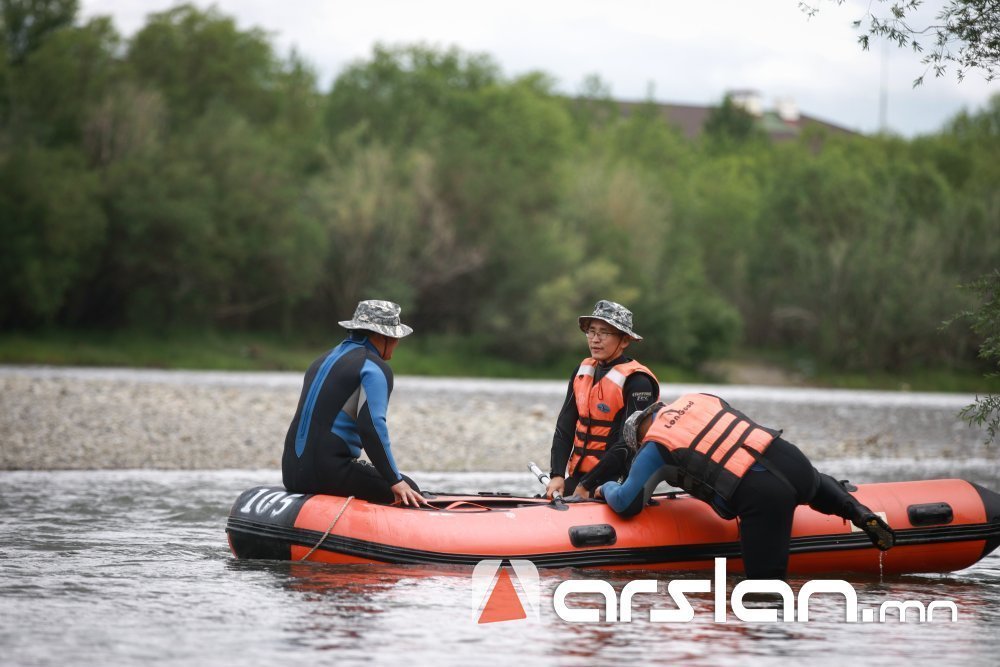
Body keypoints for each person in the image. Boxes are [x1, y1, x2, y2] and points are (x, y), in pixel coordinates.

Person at [598, 393, 896, 580]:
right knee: (816, 484)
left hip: (759, 492)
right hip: (788, 457)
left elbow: (627, 502)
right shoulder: (701, 398)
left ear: (638, 436)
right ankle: (857, 511)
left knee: (764, 590)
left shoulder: (654, 445)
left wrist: (607, 487)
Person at [282, 299, 427, 507]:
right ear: (381, 335)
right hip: (327, 473)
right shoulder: (373, 367)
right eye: (395, 337)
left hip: (291, 473)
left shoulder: (321, 360)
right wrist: (396, 480)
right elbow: (371, 427)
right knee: (409, 490)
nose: (396, 343)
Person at [546, 300, 660, 500]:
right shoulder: (582, 371)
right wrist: (556, 475)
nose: (595, 339)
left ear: (624, 341)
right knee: (543, 503)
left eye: (604, 333)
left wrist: (587, 485)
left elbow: (627, 444)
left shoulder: (638, 382)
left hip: (617, 480)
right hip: (581, 477)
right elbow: (565, 426)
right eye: (591, 331)